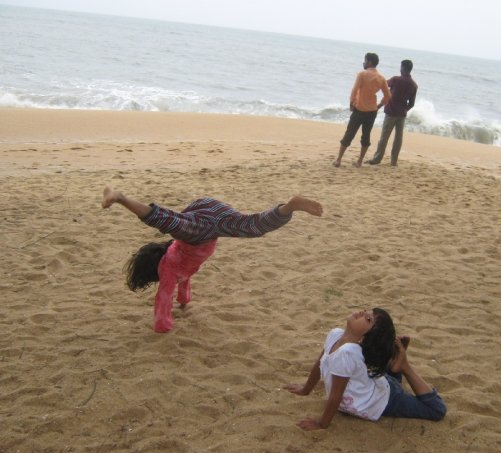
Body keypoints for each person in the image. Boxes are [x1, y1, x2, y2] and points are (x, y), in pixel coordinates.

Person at [101, 186, 323, 333]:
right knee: (251, 225)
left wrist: (162, 326)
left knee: (166, 220)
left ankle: (120, 197)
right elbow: (185, 280)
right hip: (209, 208)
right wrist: (184, 301)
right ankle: (288, 208)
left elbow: (163, 298)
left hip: (202, 229)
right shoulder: (178, 262)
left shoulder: (169, 269)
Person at [283, 308, 446, 430]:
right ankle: (394, 364)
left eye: (368, 319)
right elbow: (320, 364)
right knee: (382, 374)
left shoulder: (347, 354)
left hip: (384, 399)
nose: (362, 313)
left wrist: (321, 424)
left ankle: (403, 366)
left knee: (437, 410)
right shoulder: (335, 334)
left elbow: (336, 396)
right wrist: (305, 389)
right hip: (371, 382)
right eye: (367, 312)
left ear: (363, 339)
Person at [333, 53, 391, 168]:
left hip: (359, 109)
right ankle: (359, 161)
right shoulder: (381, 78)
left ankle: (338, 160)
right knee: (366, 136)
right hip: (372, 111)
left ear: (369, 62)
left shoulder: (362, 74)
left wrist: (351, 103)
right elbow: (388, 96)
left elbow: (354, 90)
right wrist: (379, 105)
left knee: (349, 134)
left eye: (365, 60)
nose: (363, 63)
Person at [368, 59, 418, 167]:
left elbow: (383, 84)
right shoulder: (414, 85)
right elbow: (412, 104)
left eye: (401, 66)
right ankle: (393, 161)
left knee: (384, 137)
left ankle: (377, 159)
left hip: (391, 112)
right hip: (402, 114)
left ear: (403, 68)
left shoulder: (396, 79)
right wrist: (404, 109)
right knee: (398, 139)